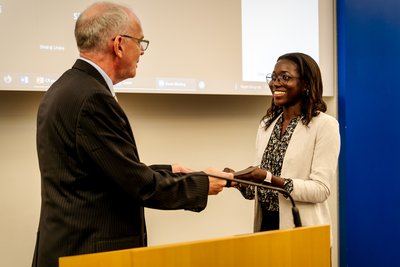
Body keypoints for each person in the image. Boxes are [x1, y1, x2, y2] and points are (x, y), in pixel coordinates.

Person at [32, 2, 232, 267]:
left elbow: (105, 174)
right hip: (89, 254)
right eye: (140, 42)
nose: (142, 52)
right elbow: (137, 186)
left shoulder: (65, 88)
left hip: (69, 247)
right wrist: (202, 183)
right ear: (118, 44)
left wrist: (170, 170)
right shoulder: (93, 99)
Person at [227, 52, 340, 233]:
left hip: (301, 230)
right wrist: (239, 181)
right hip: (266, 228)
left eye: (285, 77)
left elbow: (320, 190)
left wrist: (270, 178)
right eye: (273, 77)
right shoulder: (266, 125)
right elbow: (262, 189)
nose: (276, 83)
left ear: (305, 84)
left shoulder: (325, 125)